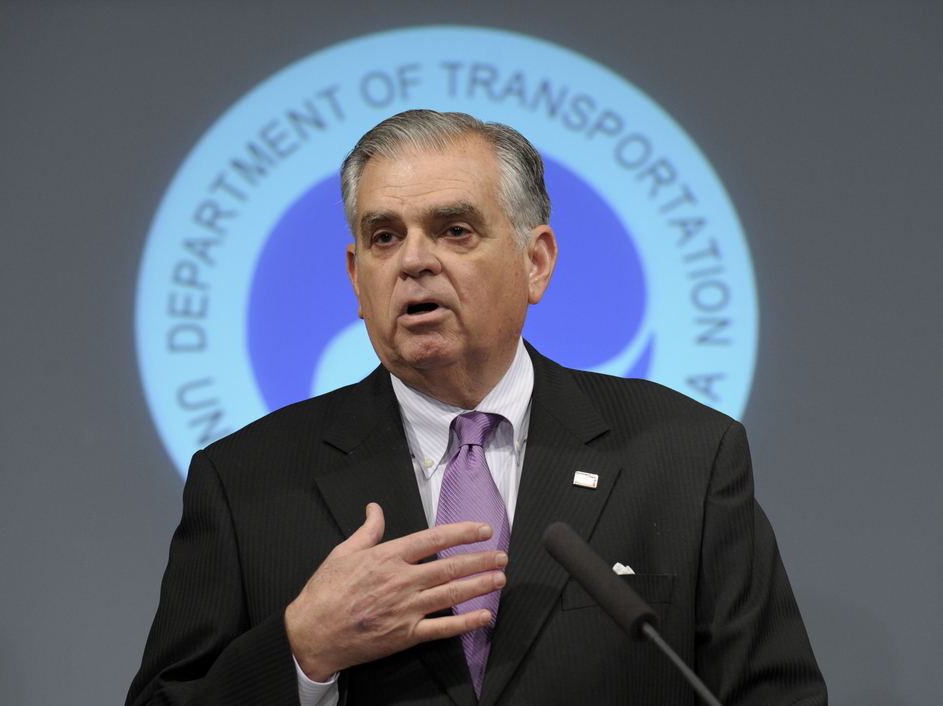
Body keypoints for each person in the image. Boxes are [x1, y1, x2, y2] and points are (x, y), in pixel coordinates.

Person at [126, 110, 827, 706]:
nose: (413, 261)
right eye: (384, 236)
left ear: (536, 261)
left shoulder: (683, 458)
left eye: (454, 230)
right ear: (355, 279)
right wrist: (302, 649)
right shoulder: (246, 481)